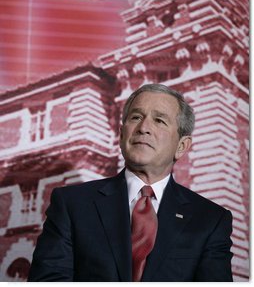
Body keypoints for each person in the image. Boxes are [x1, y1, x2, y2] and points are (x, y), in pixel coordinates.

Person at [28, 83, 233, 282]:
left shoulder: (210, 220)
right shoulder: (71, 204)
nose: (143, 128)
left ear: (181, 146)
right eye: (136, 117)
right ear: (121, 135)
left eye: (159, 121)